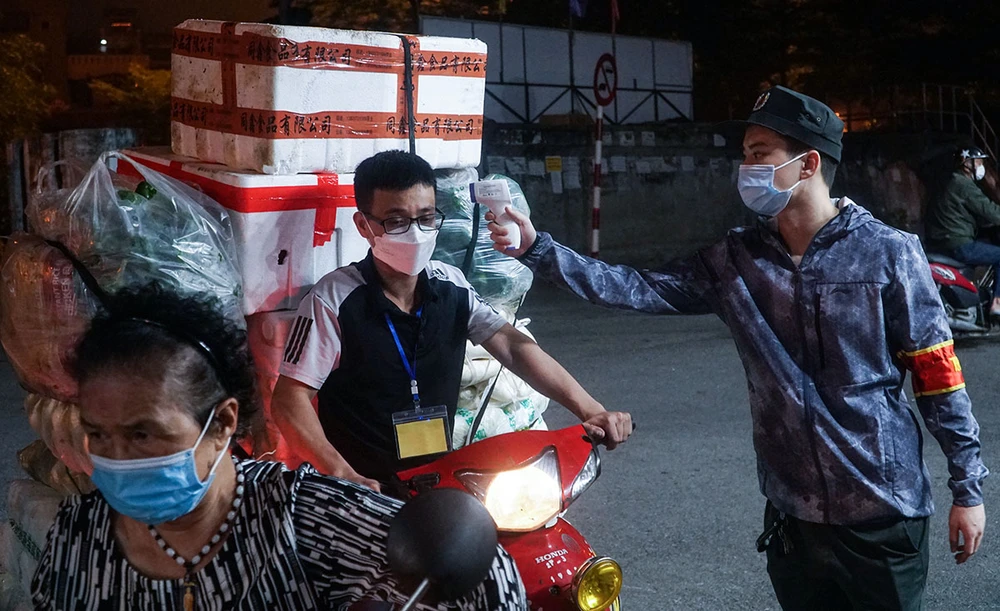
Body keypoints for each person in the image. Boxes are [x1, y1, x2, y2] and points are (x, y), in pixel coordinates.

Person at [488, 86, 988, 610]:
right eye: (744, 153)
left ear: (808, 163)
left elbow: (939, 378)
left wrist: (968, 489)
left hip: (882, 513)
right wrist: (537, 249)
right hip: (793, 517)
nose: (746, 167)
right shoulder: (737, 259)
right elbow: (635, 286)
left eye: (759, 153)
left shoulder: (888, 253)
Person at [31, 283, 528, 610]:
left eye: (142, 435)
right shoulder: (78, 536)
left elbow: (490, 577)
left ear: (223, 423)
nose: (117, 458)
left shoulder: (301, 517)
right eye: (99, 434)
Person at [272, 151, 632, 493]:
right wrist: (341, 473)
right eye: (396, 221)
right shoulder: (333, 299)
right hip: (363, 488)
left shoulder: (451, 284)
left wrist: (591, 409)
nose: (415, 233)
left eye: (426, 218)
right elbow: (290, 399)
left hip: (438, 478)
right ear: (364, 226)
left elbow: (513, 347)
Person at [923, 146, 1000, 318]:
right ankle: (998, 303)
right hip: (957, 243)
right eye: (978, 162)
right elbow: (990, 211)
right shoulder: (963, 184)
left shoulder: (950, 182)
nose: (981, 167)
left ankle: (979, 297)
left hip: (942, 241)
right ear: (966, 163)